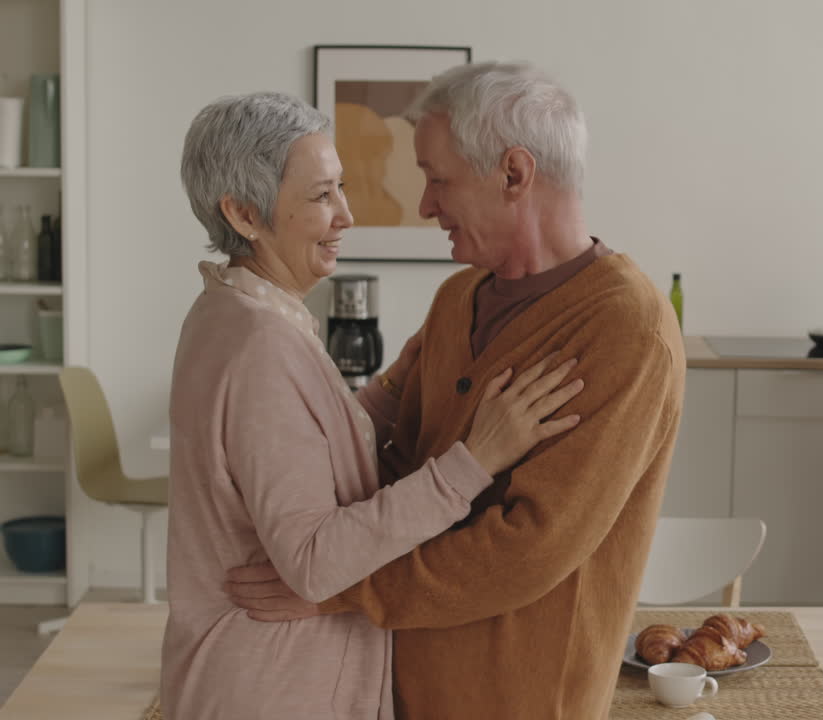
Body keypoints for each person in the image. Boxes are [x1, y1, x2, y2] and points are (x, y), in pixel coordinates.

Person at [225, 62, 687, 719]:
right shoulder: (458, 297)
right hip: (404, 683)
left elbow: (528, 547)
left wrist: (338, 588)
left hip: (519, 699)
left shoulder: (627, 328)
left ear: (514, 174)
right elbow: (393, 470)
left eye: (438, 179)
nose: (424, 206)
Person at [162, 91, 584, 720]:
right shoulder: (261, 347)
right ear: (244, 214)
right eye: (321, 195)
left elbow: (298, 448)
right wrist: (477, 459)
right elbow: (312, 561)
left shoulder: (229, 311)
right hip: (276, 690)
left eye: (341, 188)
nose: (346, 215)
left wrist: (399, 384)